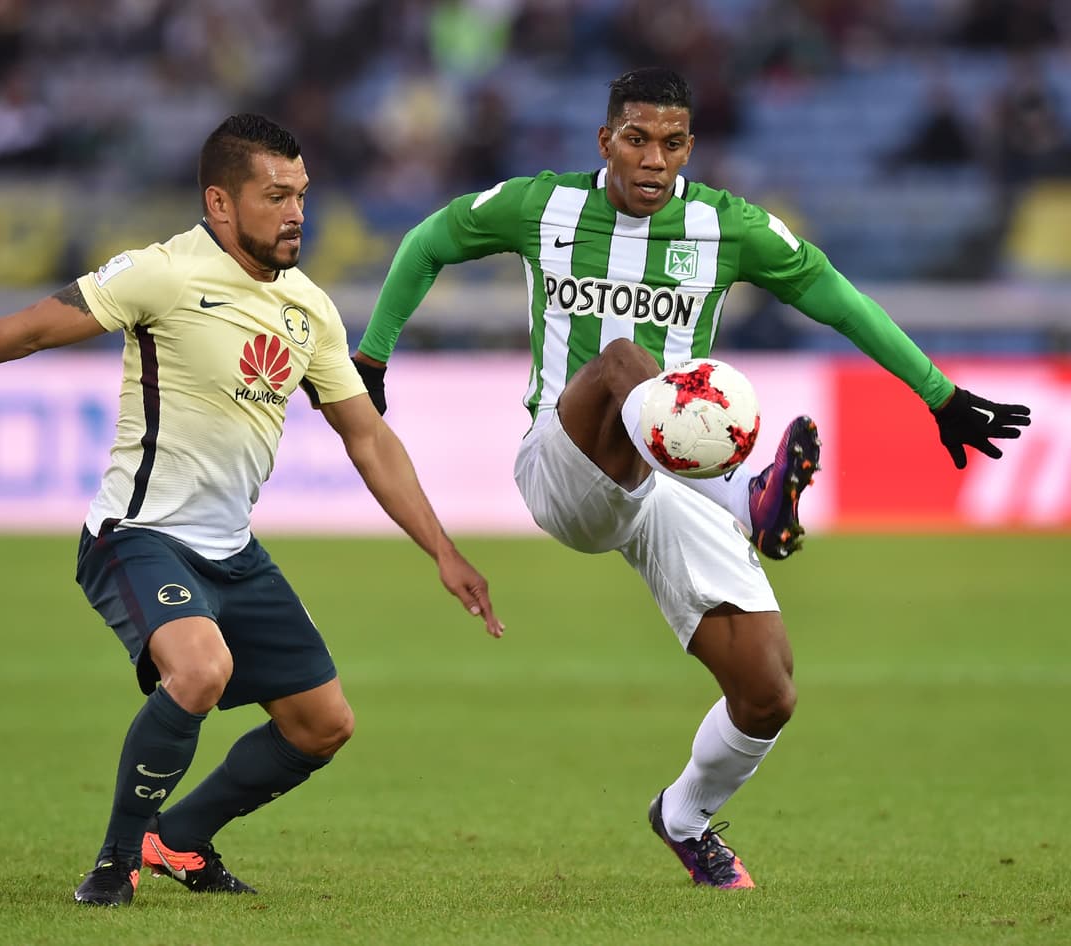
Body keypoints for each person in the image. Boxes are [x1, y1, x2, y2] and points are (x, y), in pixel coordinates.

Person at [0, 113, 504, 907]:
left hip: (233, 552)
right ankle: (114, 864)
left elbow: (368, 440)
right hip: (136, 536)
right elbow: (27, 330)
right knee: (200, 669)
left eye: (302, 194)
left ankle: (181, 838)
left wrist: (443, 549)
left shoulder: (310, 310)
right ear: (221, 202)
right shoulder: (163, 273)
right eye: (276, 196)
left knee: (324, 724)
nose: (296, 212)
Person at [351, 67, 1030, 889]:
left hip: (666, 482)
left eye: (671, 143)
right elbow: (429, 241)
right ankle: (749, 496)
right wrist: (373, 353)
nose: (653, 159)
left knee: (768, 690)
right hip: (565, 463)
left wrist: (939, 394)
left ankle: (684, 816)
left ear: (690, 149)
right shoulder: (542, 205)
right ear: (605, 141)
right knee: (622, 360)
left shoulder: (726, 225)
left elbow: (834, 296)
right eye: (636, 139)